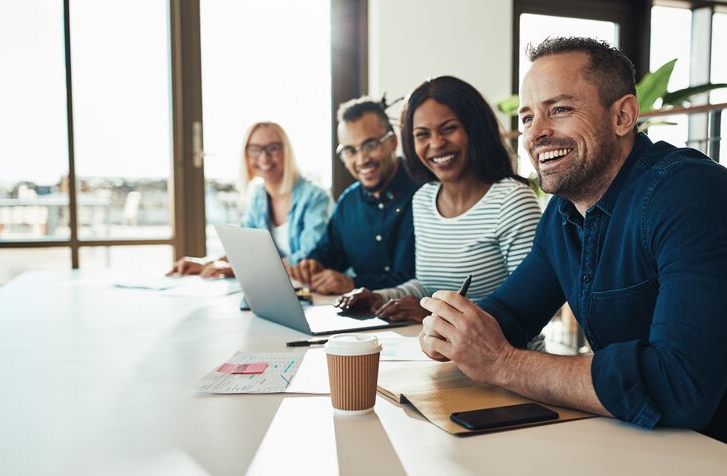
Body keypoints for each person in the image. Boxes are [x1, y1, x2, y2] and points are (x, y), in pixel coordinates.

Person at [416, 37, 727, 476]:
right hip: (643, 449)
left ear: (623, 116)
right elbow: (510, 313)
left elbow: (678, 385)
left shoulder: (692, 194)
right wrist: (453, 329)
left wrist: (502, 361)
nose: (535, 134)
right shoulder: (563, 212)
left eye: (560, 110)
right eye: (528, 117)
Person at [337, 77, 540, 322]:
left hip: (500, 358)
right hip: (434, 352)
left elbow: (529, 305)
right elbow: (426, 286)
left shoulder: (512, 201)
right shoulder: (423, 199)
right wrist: (380, 297)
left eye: (449, 128)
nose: (436, 143)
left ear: (474, 129)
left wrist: (435, 312)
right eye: (422, 135)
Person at [276, 98, 422, 299]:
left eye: (370, 145)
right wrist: (312, 265)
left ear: (393, 142)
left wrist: (354, 284)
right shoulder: (349, 202)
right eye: (350, 151)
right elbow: (330, 252)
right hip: (361, 320)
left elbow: (423, 280)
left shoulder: (426, 195)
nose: (361, 159)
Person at [167, 121, 332, 276]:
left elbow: (309, 259)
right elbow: (244, 250)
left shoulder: (315, 197)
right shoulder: (259, 197)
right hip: (278, 289)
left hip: (317, 291)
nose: (264, 158)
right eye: (255, 149)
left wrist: (239, 270)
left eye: (273, 148)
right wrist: (206, 262)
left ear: (286, 151)